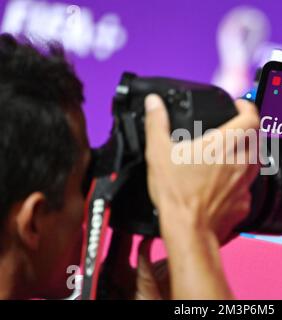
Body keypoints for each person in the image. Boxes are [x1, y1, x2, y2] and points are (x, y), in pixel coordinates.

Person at [0, 33, 260, 300]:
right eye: (83, 181)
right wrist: (190, 232)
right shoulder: (190, 232)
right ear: (33, 222)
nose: (93, 194)